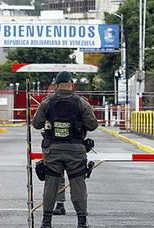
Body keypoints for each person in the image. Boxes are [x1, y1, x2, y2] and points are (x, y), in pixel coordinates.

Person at [32, 71, 98, 228]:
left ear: (56, 85)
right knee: (78, 186)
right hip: (76, 151)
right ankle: (82, 222)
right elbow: (92, 125)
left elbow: (36, 124)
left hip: (53, 150)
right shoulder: (81, 102)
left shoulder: (47, 102)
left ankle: (46, 221)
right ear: (72, 84)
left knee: (50, 185)